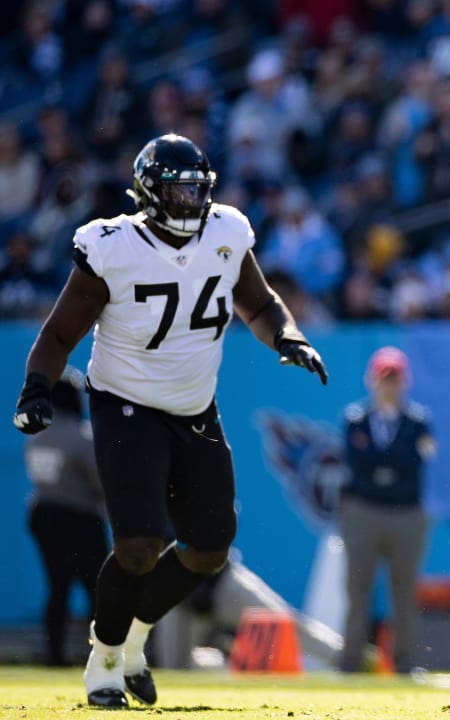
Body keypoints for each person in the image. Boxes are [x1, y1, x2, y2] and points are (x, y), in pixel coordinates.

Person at [12, 133, 328, 708]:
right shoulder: (112, 245)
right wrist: (36, 389)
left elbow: (257, 304)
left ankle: (134, 636)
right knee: (138, 544)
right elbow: (60, 333)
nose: (191, 203)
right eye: (179, 191)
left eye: (197, 190)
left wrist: (288, 336)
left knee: (210, 547)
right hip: (125, 404)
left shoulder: (228, 232)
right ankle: (104, 662)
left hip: (194, 408)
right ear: (150, 194)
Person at [337, 346, 436, 673]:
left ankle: (405, 662)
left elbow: (416, 462)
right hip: (364, 511)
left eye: (394, 379)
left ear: (404, 381)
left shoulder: (419, 421)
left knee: (404, 591)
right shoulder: (356, 419)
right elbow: (358, 462)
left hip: (405, 513)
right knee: (357, 589)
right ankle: (350, 661)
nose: (389, 386)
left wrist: (382, 468)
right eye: (384, 379)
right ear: (372, 381)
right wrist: (390, 467)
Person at [24, 368, 108, 667]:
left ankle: (54, 653)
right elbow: (100, 483)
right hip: (80, 518)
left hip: (43, 514)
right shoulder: (80, 436)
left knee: (57, 586)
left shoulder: (37, 437)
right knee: (97, 590)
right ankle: (101, 653)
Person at [151, 555, 345, 670]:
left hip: (218, 582)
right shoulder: (145, 499)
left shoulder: (195, 489)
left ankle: (351, 658)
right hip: (176, 597)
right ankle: (226, 661)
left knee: (284, 624)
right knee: (175, 668)